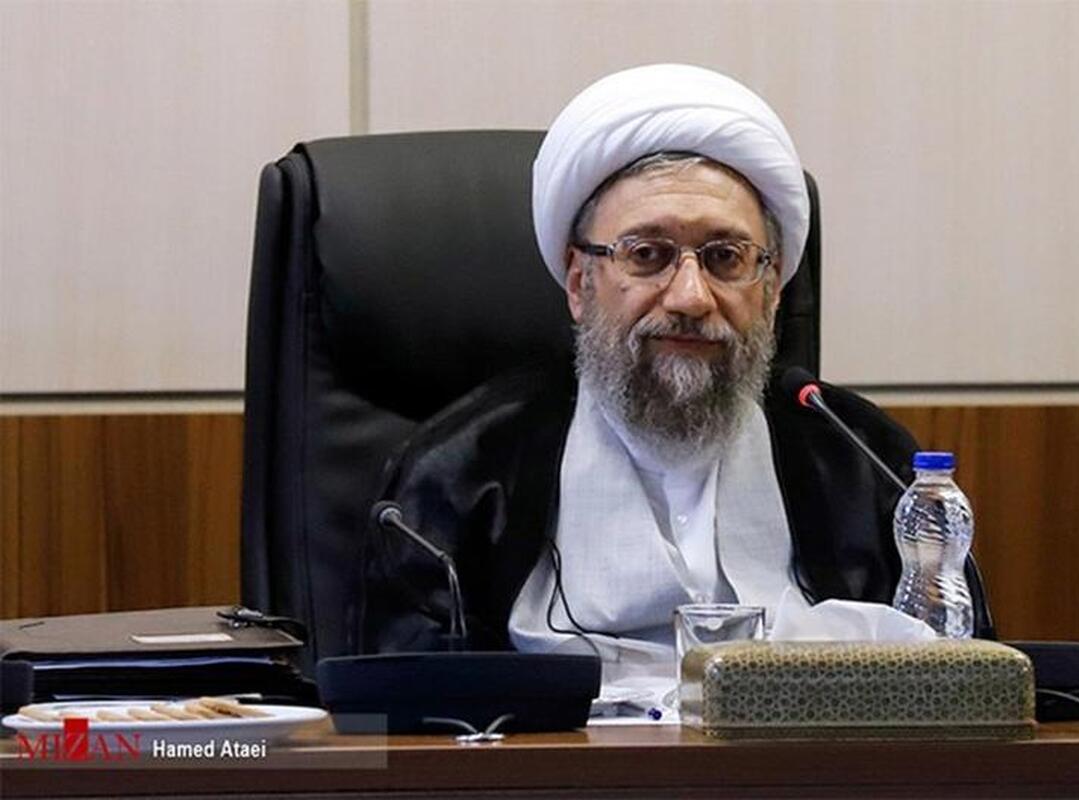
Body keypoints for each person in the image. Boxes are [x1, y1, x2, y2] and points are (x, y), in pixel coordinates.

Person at [357, 64, 989, 678]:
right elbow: (401, 712)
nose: (690, 296)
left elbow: (962, 682)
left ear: (771, 288)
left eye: (725, 258)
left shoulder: (859, 459)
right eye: (648, 254)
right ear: (580, 282)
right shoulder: (463, 474)